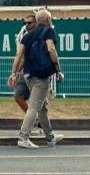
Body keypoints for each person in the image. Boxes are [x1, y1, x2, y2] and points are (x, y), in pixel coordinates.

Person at [8, 9, 63, 149]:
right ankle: (23, 137)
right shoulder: (48, 31)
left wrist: (14, 73)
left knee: (42, 107)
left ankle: (50, 138)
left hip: (28, 75)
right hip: (42, 76)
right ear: (48, 20)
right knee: (34, 107)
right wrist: (58, 70)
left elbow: (19, 55)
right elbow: (51, 50)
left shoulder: (27, 35)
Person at [12, 14, 45, 138]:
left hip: (36, 72)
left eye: (30, 23)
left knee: (38, 103)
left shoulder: (42, 35)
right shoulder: (24, 34)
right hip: (25, 71)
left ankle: (39, 129)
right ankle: (35, 123)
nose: (27, 25)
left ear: (36, 23)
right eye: (25, 23)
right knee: (18, 96)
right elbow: (20, 55)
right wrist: (15, 72)